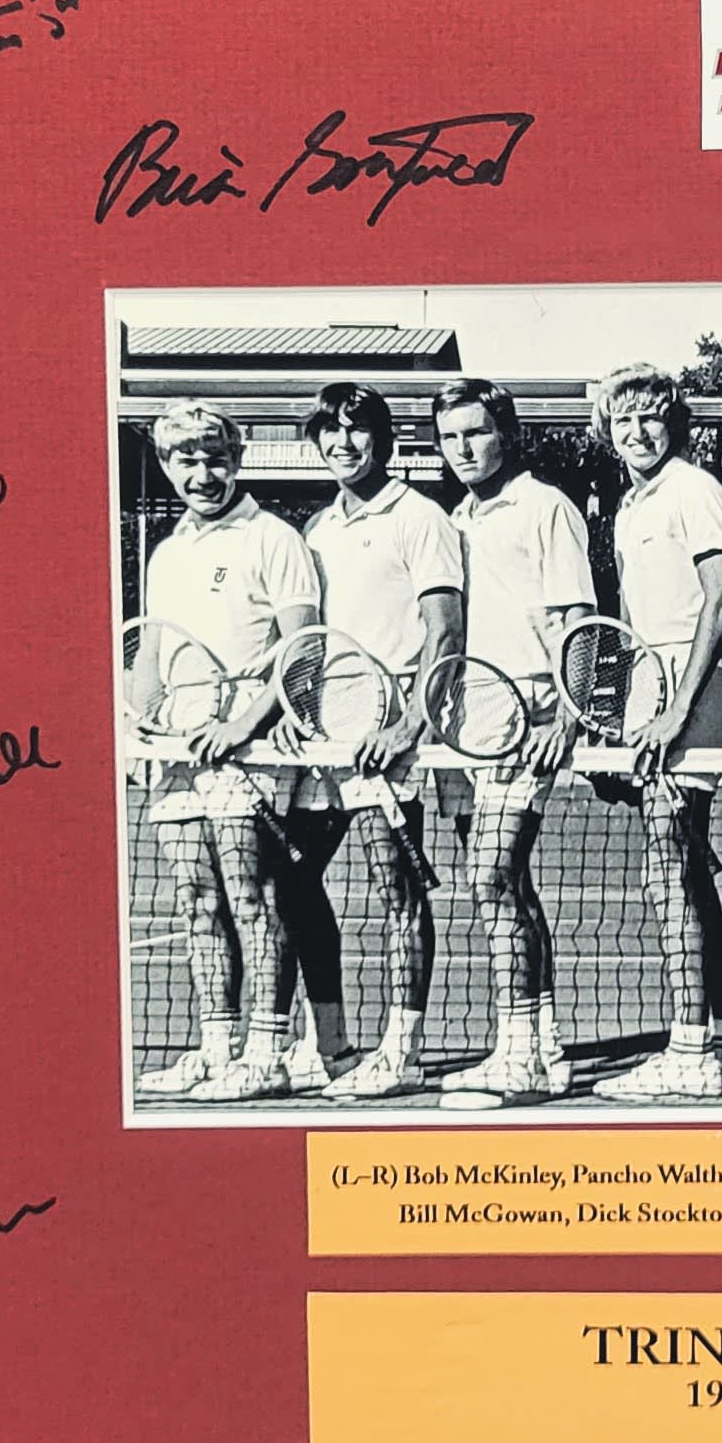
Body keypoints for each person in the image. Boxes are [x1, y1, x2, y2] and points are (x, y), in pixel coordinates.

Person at [127, 404, 318, 1103]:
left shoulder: (274, 539)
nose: (201, 474)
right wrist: (142, 719)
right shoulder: (168, 548)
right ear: (168, 464)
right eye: (186, 461)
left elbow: (302, 650)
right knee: (196, 901)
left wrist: (239, 725)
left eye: (214, 459)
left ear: (236, 459)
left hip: (252, 756)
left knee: (252, 897)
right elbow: (151, 651)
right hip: (179, 755)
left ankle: (265, 1051)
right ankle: (216, 1048)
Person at [294, 381, 467, 1100]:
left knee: (395, 891)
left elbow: (445, 630)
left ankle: (403, 1049)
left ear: (383, 439)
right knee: (295, 881)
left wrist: (409, 726)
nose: (343, 443)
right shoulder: (316, 530)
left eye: (356, 430)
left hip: (387, 744)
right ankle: (328, 1044)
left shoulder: (420, 517)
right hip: (322, 744)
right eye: (330, 432)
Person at [426, 377, 596, 1109]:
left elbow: (581, 619)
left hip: (531, 715)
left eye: (476, 432)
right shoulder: (454, 519)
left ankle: (519, 1052)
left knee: (492, 876)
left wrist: (569, 714)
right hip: (471, 723)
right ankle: (541, 1046)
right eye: (450, 437)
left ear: (507, 433)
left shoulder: (546, 507)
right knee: (509, 886)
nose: (464, 448)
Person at [590, 363, 722, 1103]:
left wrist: (681, 707)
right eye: (624, 421)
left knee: (670, 872)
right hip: (652, 701)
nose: (638, 431)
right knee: (680, 868)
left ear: (672, 423)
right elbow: (634, 621)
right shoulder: (629, 505)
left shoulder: (693, 488)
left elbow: (719, 600)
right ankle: (718, 1043)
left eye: (651, 417)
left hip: (694, 699)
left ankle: (688, 1047)